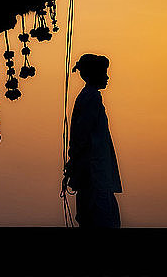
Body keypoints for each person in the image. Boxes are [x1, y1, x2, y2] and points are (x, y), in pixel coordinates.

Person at [63, 54, 122, 228]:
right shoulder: (91, 97)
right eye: (104, 73)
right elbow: (82, 135)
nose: (107, 77)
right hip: (94, 172)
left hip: (95, 171)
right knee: (101, 218)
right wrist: (76, 162)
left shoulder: (89, 96)